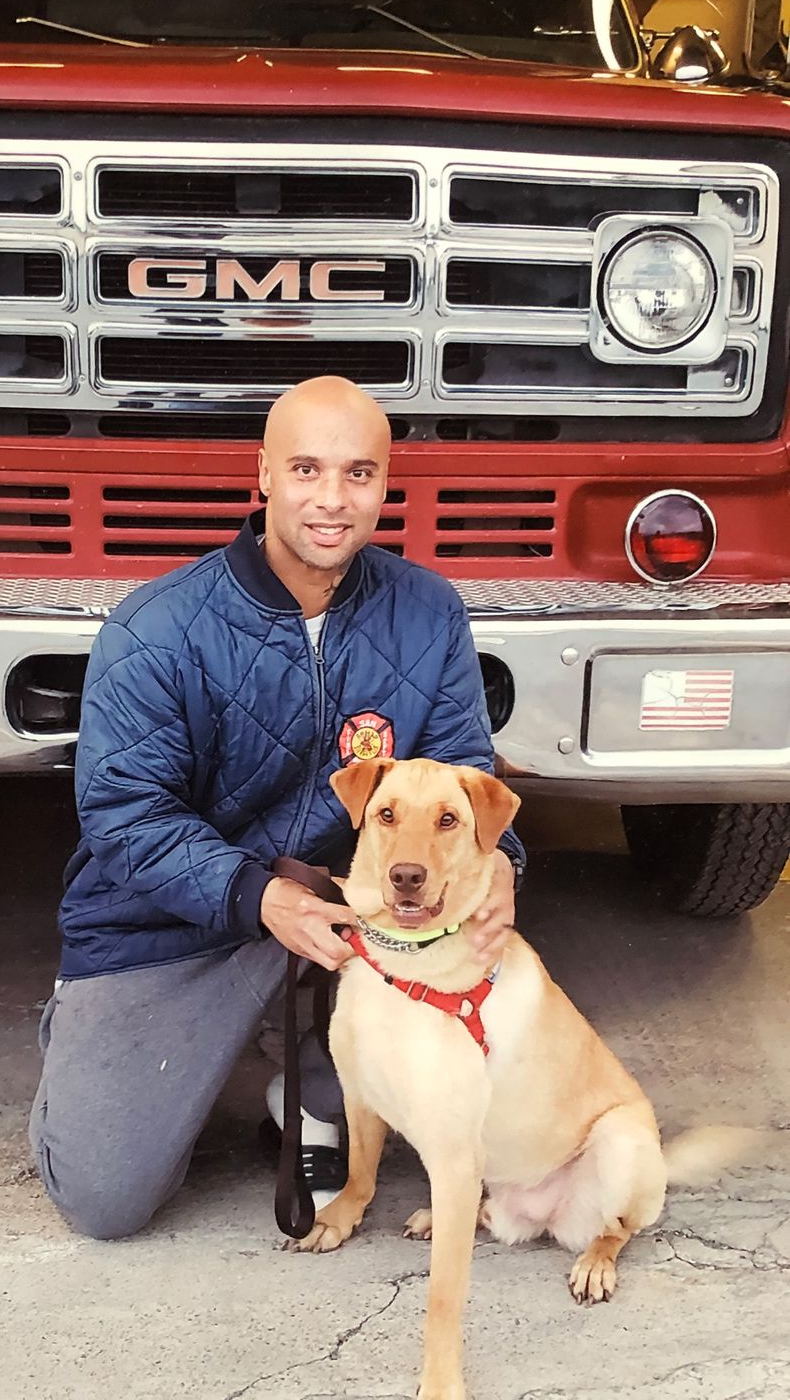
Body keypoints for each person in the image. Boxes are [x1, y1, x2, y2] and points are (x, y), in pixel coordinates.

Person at [30, 376, 524, 1239]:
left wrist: (504, 870)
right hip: (180, 919)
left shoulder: (429, 612)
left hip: (353, 920)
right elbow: (122, 812)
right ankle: (92, 1033)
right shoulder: (156, 628)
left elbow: (463, 780)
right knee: (103, 1200)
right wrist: (256, 896)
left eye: (360, 474)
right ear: (261, 475)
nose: (332, 500)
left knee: (487, 1074)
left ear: (384, 485)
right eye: (305, 469)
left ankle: (313, 1082)